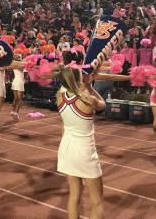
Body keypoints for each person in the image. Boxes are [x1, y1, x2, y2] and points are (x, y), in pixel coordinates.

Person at [56, 65, 105, 219]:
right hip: (84, 152)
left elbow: (70, 88)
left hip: (66, 149)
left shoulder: (59, 95)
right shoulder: (88, 99)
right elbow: (103, 105)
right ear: (79, 78)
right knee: (97, 201)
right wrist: (89, 86)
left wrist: (82, 84)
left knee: (74, 196)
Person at [11, 54, 26, 121]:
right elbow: (23, 71)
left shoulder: (14, 65)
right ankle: (16, 112)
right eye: (19, 57)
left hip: (15, 81)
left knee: (16, 98)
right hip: (19, 82)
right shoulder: (21, 66)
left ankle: (13, 111)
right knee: (19, 99)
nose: (21, 58)